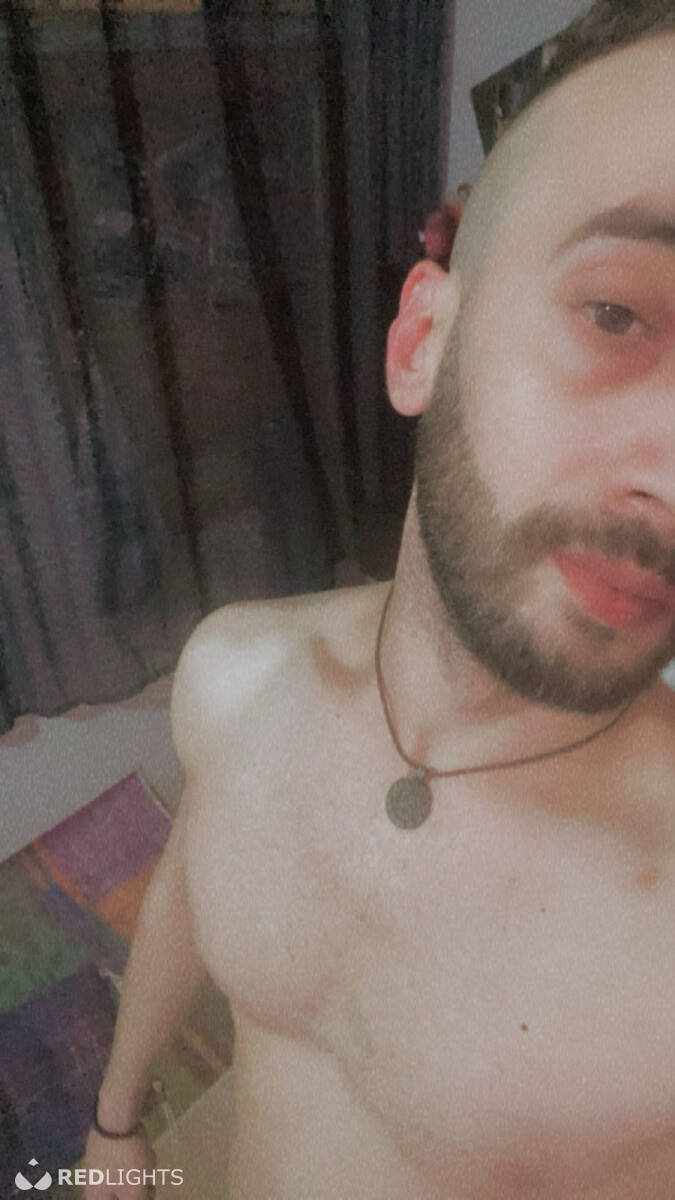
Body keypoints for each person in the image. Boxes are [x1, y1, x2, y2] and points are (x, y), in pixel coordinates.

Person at [84, 4, 675, 1197]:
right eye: (616, 313)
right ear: (420, 343)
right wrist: (115, 1122)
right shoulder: (236, 679)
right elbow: (196, 886)